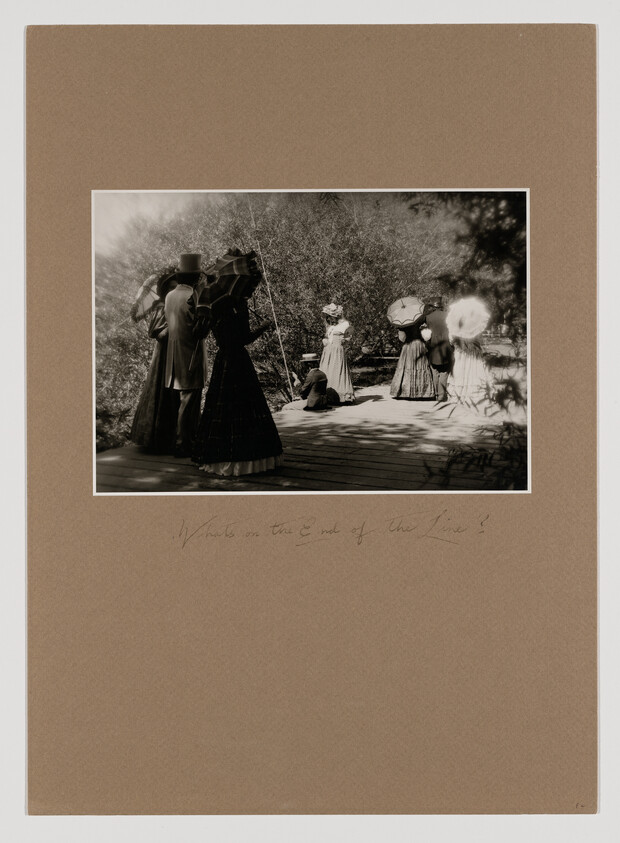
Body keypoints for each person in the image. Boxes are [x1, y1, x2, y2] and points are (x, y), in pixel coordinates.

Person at [192, 270, 283, 476]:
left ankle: (220, 455)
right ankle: (248, 459)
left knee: (221, 407)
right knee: (245, 406)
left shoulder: (212, 307)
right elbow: (245, 338)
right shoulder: (239, 305)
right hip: (239, 361)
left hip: (223, 361)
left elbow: (202, 333)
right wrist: (264, 326)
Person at [130, 268, 180, 453]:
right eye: (172, 287)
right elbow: (155, 333)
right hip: (164, 355)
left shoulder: (177, 304)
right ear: (166, 290)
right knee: (162, 391)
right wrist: (174, 326)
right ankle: (158, 439)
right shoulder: (161, 307)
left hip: (177, 353)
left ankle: (174, 437)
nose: (174, 290)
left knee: (175, 393)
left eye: (177, 286)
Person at [164, 253, 205, 457]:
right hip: (190, 352)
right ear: (195, 277)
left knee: (179, 400)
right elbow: (198, 329)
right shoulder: (193, 296)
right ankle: (183, 443)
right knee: (189, 400)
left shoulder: (170, 296)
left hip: (173, 354)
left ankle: (181, 439)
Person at [389, 314, 435, 400]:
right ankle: (421, 392)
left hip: (408, 347)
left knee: (407, 366)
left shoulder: (403, 324)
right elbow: (426, 337)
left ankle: (405, 391)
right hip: (419, 346)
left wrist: (401, 330)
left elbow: (402, 339)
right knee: (420, 366)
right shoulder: (421, 322)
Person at [319, 303, 356, 404]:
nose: (329, 319)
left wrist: (343, 341)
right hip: (328, 351)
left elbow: (348, 338)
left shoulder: (345, 325)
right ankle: (328, 395)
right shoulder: (331, 326)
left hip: (337, 351)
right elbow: (327, 337)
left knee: (337, 370)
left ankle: (342, 396)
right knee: (327, 371)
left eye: (330, 316)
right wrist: (325, 340)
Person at [422, 296, 453, 402]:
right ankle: (441, 395)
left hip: (433, 346)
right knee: (444, 371)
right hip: (446, 346)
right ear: (441, 306)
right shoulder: (448, 316)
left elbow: (426, 334)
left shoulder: (428, 317)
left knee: (434, 371)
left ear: (433, 307)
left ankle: (435, 394)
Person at [447, 336, 492, 404]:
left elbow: (451, 340)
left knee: (463, 370)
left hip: (463, 352)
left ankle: (462, 394)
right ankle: (470, 395)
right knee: (472, 370)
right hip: (470, 351)